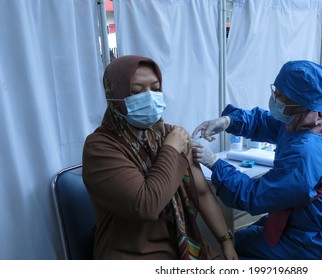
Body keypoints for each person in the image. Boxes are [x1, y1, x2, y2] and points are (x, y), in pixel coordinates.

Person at [191, 60, 322, 260]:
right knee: (240, 237)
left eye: (280, 96)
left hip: (313, 244)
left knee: (232, 247)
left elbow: (253, 196)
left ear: (300, 103)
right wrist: (229, 121)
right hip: (307, 223)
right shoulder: (306, 121)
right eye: (275, 92)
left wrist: (215, 164)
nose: (274, 99)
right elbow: (264, 121)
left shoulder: (305, 154)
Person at [82, 55, 238, 260]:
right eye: (136, 91)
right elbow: (146, 205)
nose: (149, 97)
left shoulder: (171, 135)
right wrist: (171, 151)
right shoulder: (101, 148)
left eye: (155, 89)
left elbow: (202, 193)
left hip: (183, 245)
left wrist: (226, 241)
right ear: (114, 95)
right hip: (134, 254)